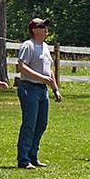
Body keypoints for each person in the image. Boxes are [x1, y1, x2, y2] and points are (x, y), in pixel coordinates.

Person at [16, 18, 62, 169]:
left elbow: (49, 71)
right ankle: (23, 159)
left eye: (46, 26)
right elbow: (21, 67)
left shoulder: (45, 47)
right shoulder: (28, 46)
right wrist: (41, 78)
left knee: (41, 124)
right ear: (34, 30)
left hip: (43, 90)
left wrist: (55, 89)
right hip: (29, 88)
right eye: (42, 26)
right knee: (30, 123)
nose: (45, 29)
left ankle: (33, 156)